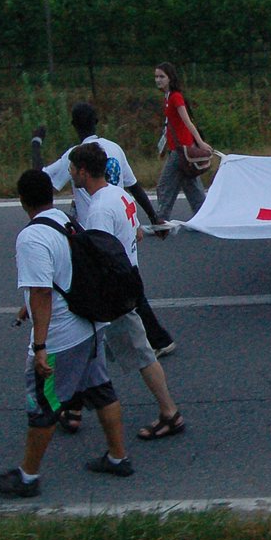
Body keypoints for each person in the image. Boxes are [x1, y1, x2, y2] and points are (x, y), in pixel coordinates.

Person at [0, 169, 132, 498]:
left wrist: (39, 346)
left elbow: (42, 293)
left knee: (44, 403)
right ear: (50, 195)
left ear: (22, 200)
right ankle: (118, 457)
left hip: (61, 338)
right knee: (101, 389)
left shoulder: (32, 236)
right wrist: (29, 306)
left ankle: (27, 477)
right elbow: (61, 274)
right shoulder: (66, 220)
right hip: (90, 326)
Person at [33, 102, 176, 356]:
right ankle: (150, 340)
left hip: (98, 232)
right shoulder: (115, 148)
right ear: (97, 121)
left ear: (74, 125)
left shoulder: (77, 154)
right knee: (127, 281)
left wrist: (36, 143)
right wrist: (154, 217)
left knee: (107, 287)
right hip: (123, 220)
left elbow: (40, 178)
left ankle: (128, 344)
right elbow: (134, 186)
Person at [69, 143, 186, 441]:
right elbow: (136, 234)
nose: (70, 175)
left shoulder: (97, 210)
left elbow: (99, 256)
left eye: (72, 169)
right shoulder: (119, 195)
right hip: (129, 277)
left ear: (83, 172)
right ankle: (73, 406)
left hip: (114, 289)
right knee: (91, 347)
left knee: (140, 352)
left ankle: (169, 413)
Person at [152, 62, 212, 224]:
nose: (158, 80)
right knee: (191, 185)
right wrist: (164, 146)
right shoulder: (168, 97)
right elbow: (170, 125)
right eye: (156, 77)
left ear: (170, 78)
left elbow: (187, 122)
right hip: (177, 149)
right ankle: (204, 217)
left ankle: (161, 219)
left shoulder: (175, 97)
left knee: (165, 185)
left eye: (162, 77)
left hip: (182, 150)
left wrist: (200, 143)